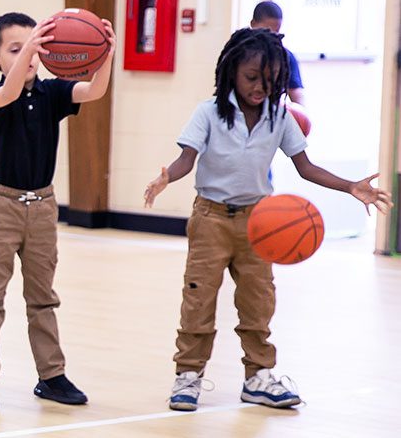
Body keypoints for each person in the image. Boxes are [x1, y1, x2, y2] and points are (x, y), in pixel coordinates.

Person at [144, 27, 390, 412]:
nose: (261, 86)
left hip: (259, 223)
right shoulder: (208, 112)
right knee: (198, 299)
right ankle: (188, 375)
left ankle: (258, 376)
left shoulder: (279, 116)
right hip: (210, 219)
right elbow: (186, 159)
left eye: (271, 79)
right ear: (231, 72)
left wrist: (349, 186)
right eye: (252, 78)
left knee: (258, 304)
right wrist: (165, 178)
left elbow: (305, 167)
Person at [0, 12, 114, 410]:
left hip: (43, 208)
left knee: (43, 298)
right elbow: (7, 95)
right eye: (16, 49)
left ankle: (51, 376)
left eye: (34, 47)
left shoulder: (51, 93)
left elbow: (93, 91)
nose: (30, 56)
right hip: (0, 207)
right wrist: (30, 48)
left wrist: (106, 55)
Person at [250, 1, 303, 104]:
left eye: (276, 32)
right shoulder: (237, 55)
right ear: (253, 24)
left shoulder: (285, 57)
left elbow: (298, 99)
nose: (271, 37)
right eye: (266, 31)